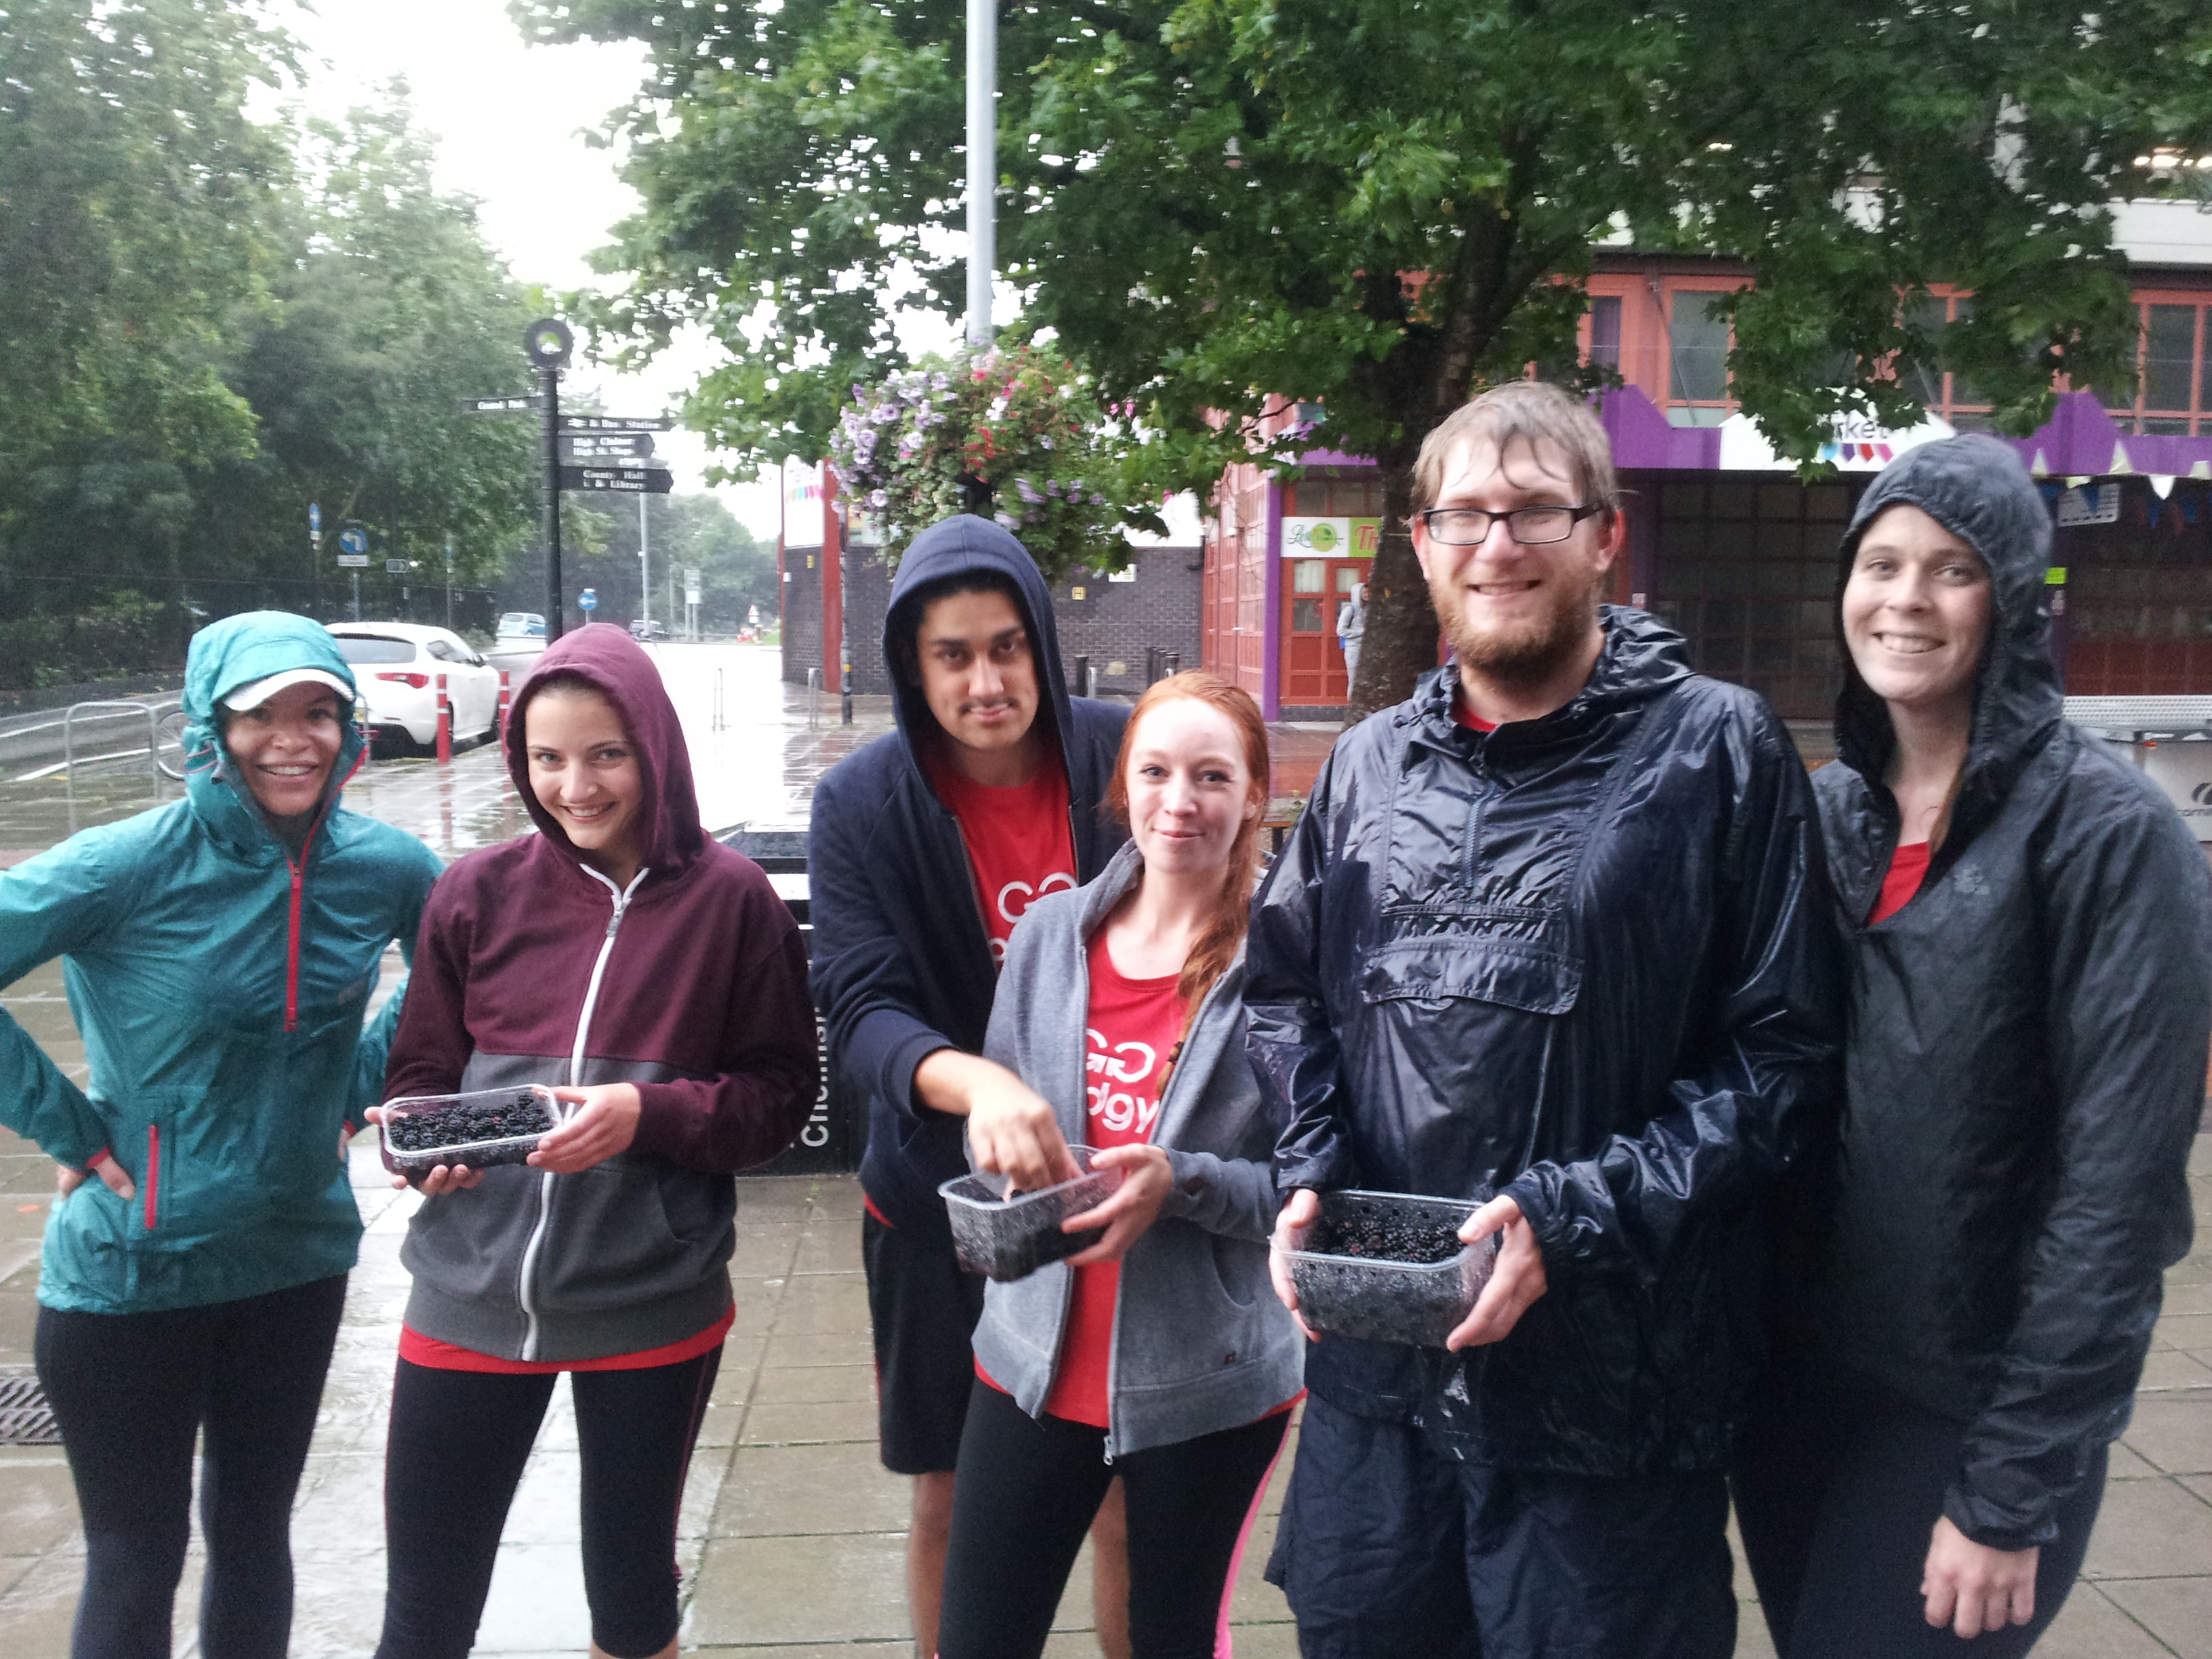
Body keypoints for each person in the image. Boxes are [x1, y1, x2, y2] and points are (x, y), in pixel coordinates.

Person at [1248, 380, 1843, 1659]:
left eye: (1533, 510)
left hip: (1609, 1406)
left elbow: (1783, 1058)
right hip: (1380, 1384)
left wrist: (1571, 1218)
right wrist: (1308, 1173)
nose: (1496, 544)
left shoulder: (1717, 751)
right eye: (1462, 513)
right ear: (1418, 542)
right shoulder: (1365, 767)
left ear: (1603, 534)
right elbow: (1284, 993)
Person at [1730, 435, 2212, 1656]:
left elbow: (2115, 1194)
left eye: (1947, 571)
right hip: (1797, 1393)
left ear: (2005, 596)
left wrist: (2012, 1485)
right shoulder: (1826, 808)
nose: (1901, 598)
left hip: (1965, 1409)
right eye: (1878, 562)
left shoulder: (2102, 838)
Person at [369, 624, 819, 1659]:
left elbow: (779, 1098)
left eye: (607, 752)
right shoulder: (475, 892)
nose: (577, 786)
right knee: (425, 1608)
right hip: (467, 1297)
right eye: (548, 757)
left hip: (650, 1302)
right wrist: (419, 1144)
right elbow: (421, 1075)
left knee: (631, 1597)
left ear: (655, 746)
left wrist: (645, 1116)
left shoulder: (733, 903)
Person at [0, 612, 443, 1659]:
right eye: (262, 716)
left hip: (293, 1260)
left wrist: (354, 1096)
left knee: (253, 1540)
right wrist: (69, 1128)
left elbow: (449, 982)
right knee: (136, 1555)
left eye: (319, 713)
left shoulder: (387, 866)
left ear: (350, 729)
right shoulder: (127, 865)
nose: (294, 739)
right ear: (212, 726)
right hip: (132, 1275)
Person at [808, 514, 1134, 1659]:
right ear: (913, 663)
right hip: (938, 1203)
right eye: (953, 654)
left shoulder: (1118, 757)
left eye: (1008, 646)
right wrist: (975, 1083)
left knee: (1118, 1488)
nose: (987, 681)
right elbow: (860, 1006)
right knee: (950, 1489)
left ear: (1044, 643)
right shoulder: (861, 803)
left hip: (1111, 1185)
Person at [933, 673, 1304, 1659]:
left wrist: (1178, 1181)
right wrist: (995, 1140)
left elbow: (1308, 1187)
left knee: (1172, 1640)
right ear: (1124, 786)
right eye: (1157, 772)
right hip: (1027, 1365)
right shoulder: (1053, 935)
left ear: (1256, 794)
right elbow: (996, 1114)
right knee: (976, 1638)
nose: (1179, 802)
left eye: (1212, 776)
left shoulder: (1288, 962)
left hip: (1208, 1381)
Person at [1335, 580, 1365, 691]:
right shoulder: (1349, 610)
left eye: (1368, 593)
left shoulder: (1366, 610)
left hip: (1365, 649)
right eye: (1364, 593)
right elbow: (1341, 631)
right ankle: (1352, 705)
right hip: (1353, 650)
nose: (1367, 595)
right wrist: (1361, 632)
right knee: (1354, 680)